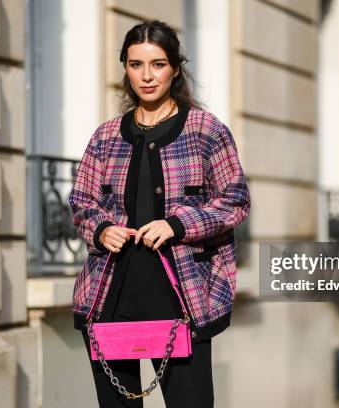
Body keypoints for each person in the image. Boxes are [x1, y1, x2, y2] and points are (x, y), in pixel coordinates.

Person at [69, 19, 250, 408]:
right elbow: (81, 200)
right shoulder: (105, 136)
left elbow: (235, 200)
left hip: (182, 300)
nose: (147, 76)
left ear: (174, 67)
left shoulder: (205, 131)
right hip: (110, 299)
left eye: (157, 64)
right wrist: (101, 230)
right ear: (125, 68)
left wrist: (177, 225)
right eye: (136, 65)